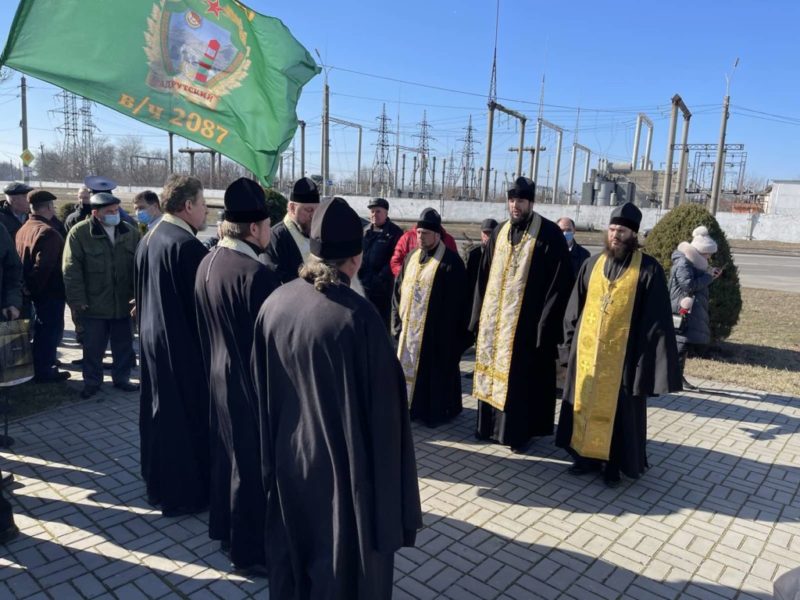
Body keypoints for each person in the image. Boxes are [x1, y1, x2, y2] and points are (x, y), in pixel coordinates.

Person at [251, 197, 421, 599]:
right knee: (342, 573)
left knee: (295, 559)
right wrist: (393, 507)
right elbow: (386, 419)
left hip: (289, 464)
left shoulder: (274, 304)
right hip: (344, 481)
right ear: (357, 260)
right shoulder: (358, 318)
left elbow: (260, 396)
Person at [556, 203, 681, 486]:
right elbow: (574, 308)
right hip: (587, 356)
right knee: (582, 406)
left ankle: (612, 466)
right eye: (612, 229)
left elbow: (656, 325)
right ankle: (584, 458)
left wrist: (646, 368)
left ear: (633, 234)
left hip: (623, 363)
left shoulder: (648, 271)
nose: (615, 235)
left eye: (621, 231)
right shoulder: (592, 264)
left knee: (617, 416)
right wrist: (566, 347)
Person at [194, 178, 279, 574]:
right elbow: (271, 343)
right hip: (248, 385)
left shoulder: (207, 261)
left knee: (226, 459)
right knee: (249, 468)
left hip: (216, 376)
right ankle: (248, 552)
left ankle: (225, 531)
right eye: (267, 225)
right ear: (254, 228)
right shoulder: (254, 274)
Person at [470, 177, 573, 451]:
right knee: (492, 372)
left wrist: (545, 325)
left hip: (527, 326)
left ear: (531, 203)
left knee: (521, 381)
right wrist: (479, 315)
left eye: (521, 201)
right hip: (496, 323)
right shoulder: (500, 232)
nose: (516, 206)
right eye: (512, 200)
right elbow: (484, 276)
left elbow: (559, 285)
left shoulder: (549, 234)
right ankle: (488, 427)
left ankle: (518, 434)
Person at [135, 174, 210, 516]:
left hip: (151, 340)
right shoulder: (187, 246)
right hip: (181, 346)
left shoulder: (149, 237)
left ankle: (156, 485)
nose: (207, 210)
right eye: (204, 203)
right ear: (189, 205)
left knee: (156, 413)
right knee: (184, 420)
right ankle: (182, 494)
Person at [392, 208, 470, 427]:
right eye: (418, 233)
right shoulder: (410, 257)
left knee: (434, 377)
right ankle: (411, 408)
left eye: (425, 233)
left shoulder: (451, 263)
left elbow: (459, 305)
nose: (420, 237)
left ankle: (435, 413)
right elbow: (397, 292)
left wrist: (450, 337)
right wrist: (396, 324)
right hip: (409, 331)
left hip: (437, 335)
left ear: (437, 235)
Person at [62, 192, 139, 399]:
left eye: (116, 210)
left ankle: (121, 378)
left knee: (123, 345)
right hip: (94, 304)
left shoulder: (130, 232)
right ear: (96, 213)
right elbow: (71, 270)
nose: (115, 215)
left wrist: (138, 298)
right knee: (93, 348)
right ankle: (92, 382)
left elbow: (139, 268)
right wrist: (77, 301)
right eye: (110, 212)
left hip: (123, 303)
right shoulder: (80, 234)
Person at [15, 190, 70, 382]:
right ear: (48, 207)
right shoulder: (48, 232)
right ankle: (44, 371)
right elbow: (44, 267)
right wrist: (35, 289)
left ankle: (40, 367)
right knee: (48, 333)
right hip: (49, 293)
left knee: (41, 330)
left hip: (33, 291)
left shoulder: (25, 227)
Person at [669, 225, 722, 391]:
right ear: (698, 251)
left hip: (688, 309)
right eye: (707, 253)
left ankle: (676, 377)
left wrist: (710, 274)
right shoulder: (683, 263)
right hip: (681, 309)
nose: (709, 257)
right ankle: (674, 378)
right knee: (680, 344)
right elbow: (688, 285)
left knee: (682, 345)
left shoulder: (693, 263)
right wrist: (708, 276)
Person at [261, 177, 319, 283]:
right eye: (309, 210)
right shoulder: (275, 238)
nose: (313, 216)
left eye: (317, 211)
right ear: (292, 208)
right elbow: (274, 279)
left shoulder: (318, 235)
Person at [358, 197, 402, 327]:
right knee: (363, 322)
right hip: (363, 285)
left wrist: (380, 278)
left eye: (378, 211)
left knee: (381, 323)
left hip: (382, 288)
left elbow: (396, 259)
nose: (374, 214)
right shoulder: (365, 231)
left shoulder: (395, 233)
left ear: (386, 213)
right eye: (372, 211)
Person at [390, 208, 457, 277]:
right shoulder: (407, 238)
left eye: (426, 233)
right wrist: (406, 277)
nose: (421, 236)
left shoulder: (448, 240)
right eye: (419, 232)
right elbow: (396, 261)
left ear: (436, 234)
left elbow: (454, 265)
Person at [465, 218, 497, 305]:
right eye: (485, 233)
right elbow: (468, 280)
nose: (487, 237)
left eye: (490, 233)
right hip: (474, 298)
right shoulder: (473, 255)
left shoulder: (500, 254)